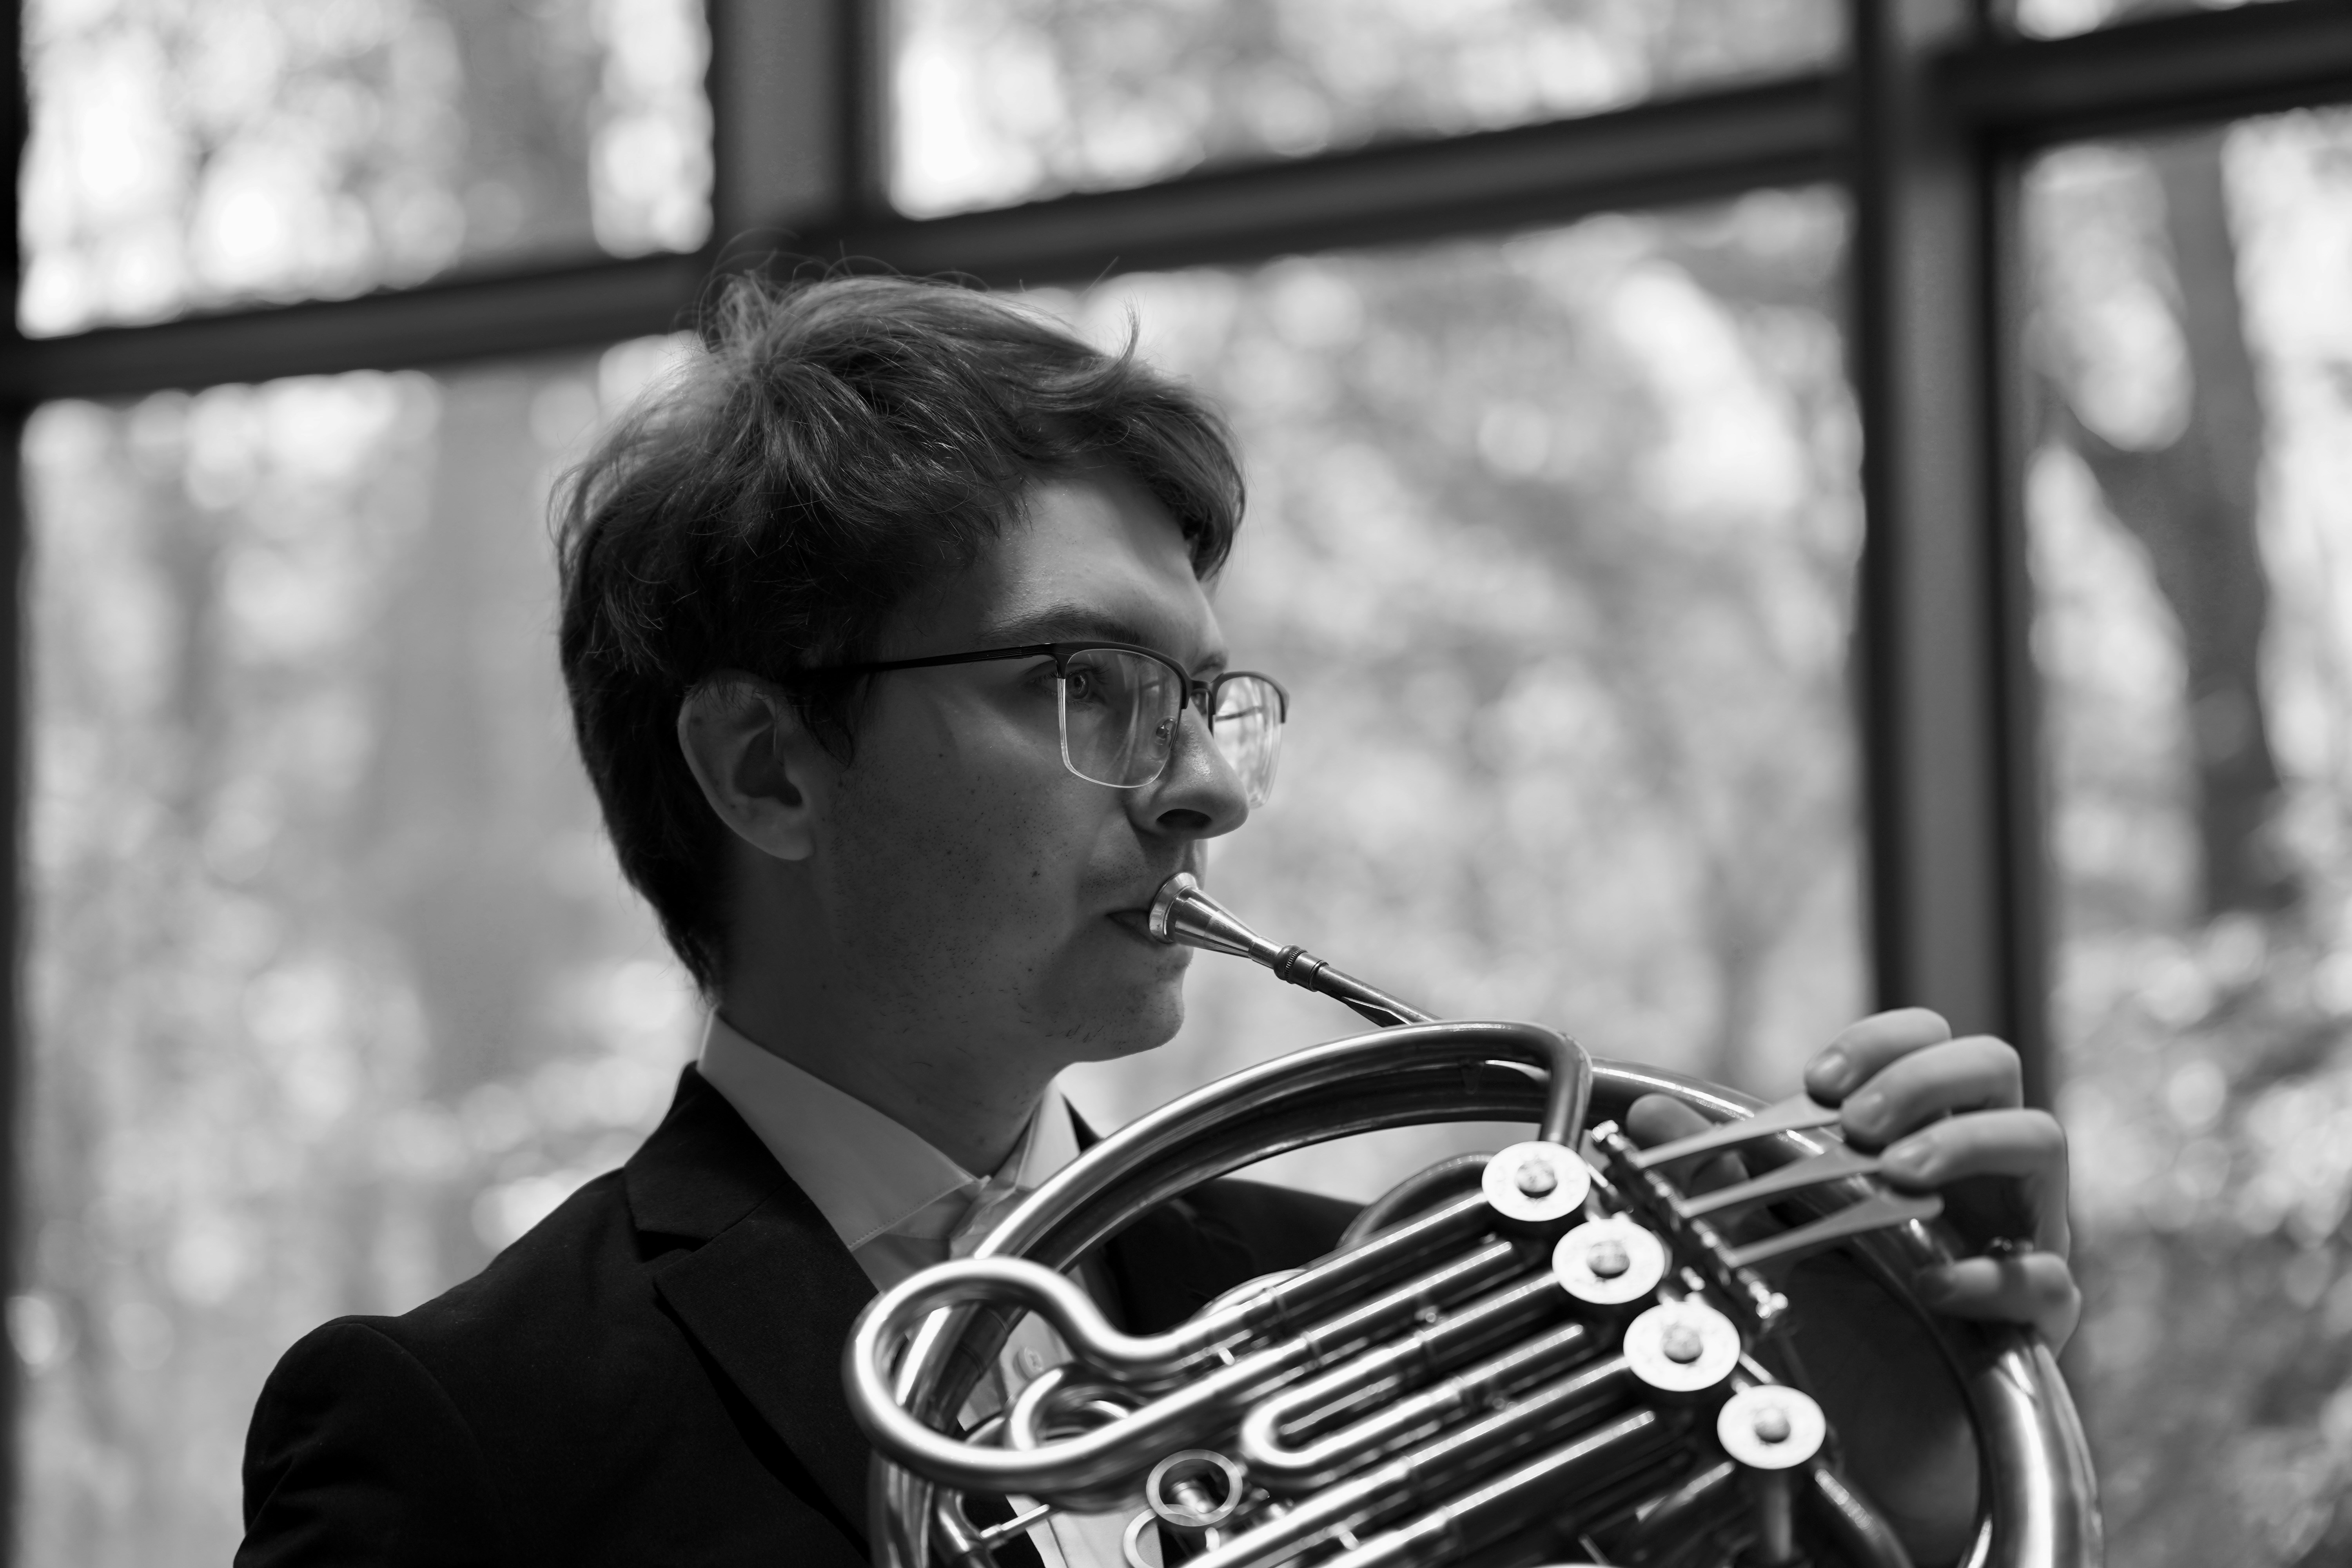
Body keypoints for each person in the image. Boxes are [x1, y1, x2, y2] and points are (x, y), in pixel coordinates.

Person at [235, 275, 2078, 1568]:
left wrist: (1889, 1457)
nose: (1210, 790)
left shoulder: (1362, 1310)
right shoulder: (456, 1435)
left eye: (1209, 701)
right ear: (768, 769)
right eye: (1091, 686)